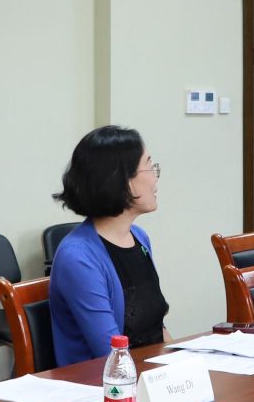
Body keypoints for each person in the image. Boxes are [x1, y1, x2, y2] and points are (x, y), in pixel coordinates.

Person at [48, 125, 168, 364]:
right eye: (149, 166)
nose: (155, 177)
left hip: (147, 373)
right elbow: (111, 354)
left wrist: (184, 370)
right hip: (104, 381)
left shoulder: (139, 237)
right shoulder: (78, 257)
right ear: (123, 180)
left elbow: (156, 329)